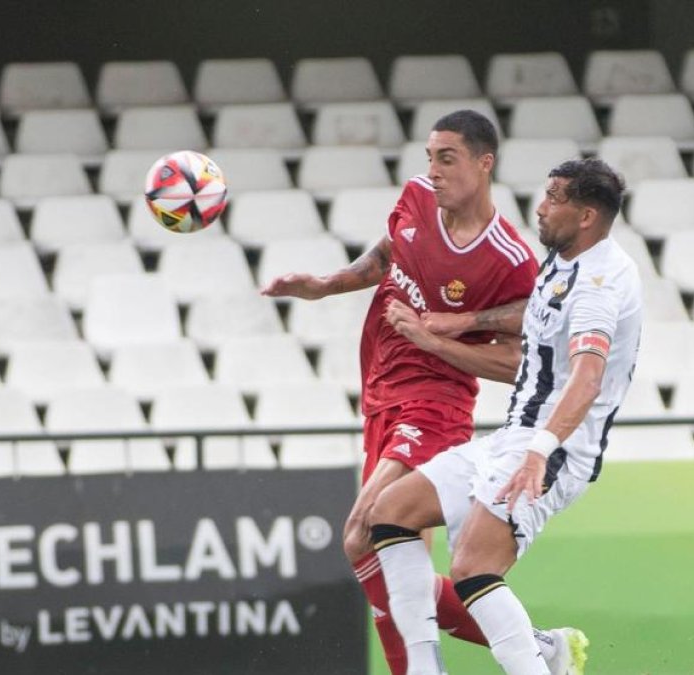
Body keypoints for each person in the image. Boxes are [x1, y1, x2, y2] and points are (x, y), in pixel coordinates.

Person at [262, 111, 583, 674]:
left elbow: (522, 365)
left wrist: (436, 340)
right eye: (429, 157)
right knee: (377, 547)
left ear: (484, 164)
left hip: (435, 407)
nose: (432, 171)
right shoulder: (415, 200)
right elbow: (390, 254)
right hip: (382, 398)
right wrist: (326, 285)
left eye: (447, 158)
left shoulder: (509, 261)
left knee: (363, 534)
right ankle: (540, 646)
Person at [368, 157, 641, 675]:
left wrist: (540, 453)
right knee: (391, 513)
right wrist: (463, 322)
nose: (540, 208)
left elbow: (588, 378)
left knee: (472, 567)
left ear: (585, 215)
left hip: (556, 447)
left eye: (554, 198)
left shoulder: (601, 284)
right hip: (513, 435)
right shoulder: (565, 259)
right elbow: (534, 313)